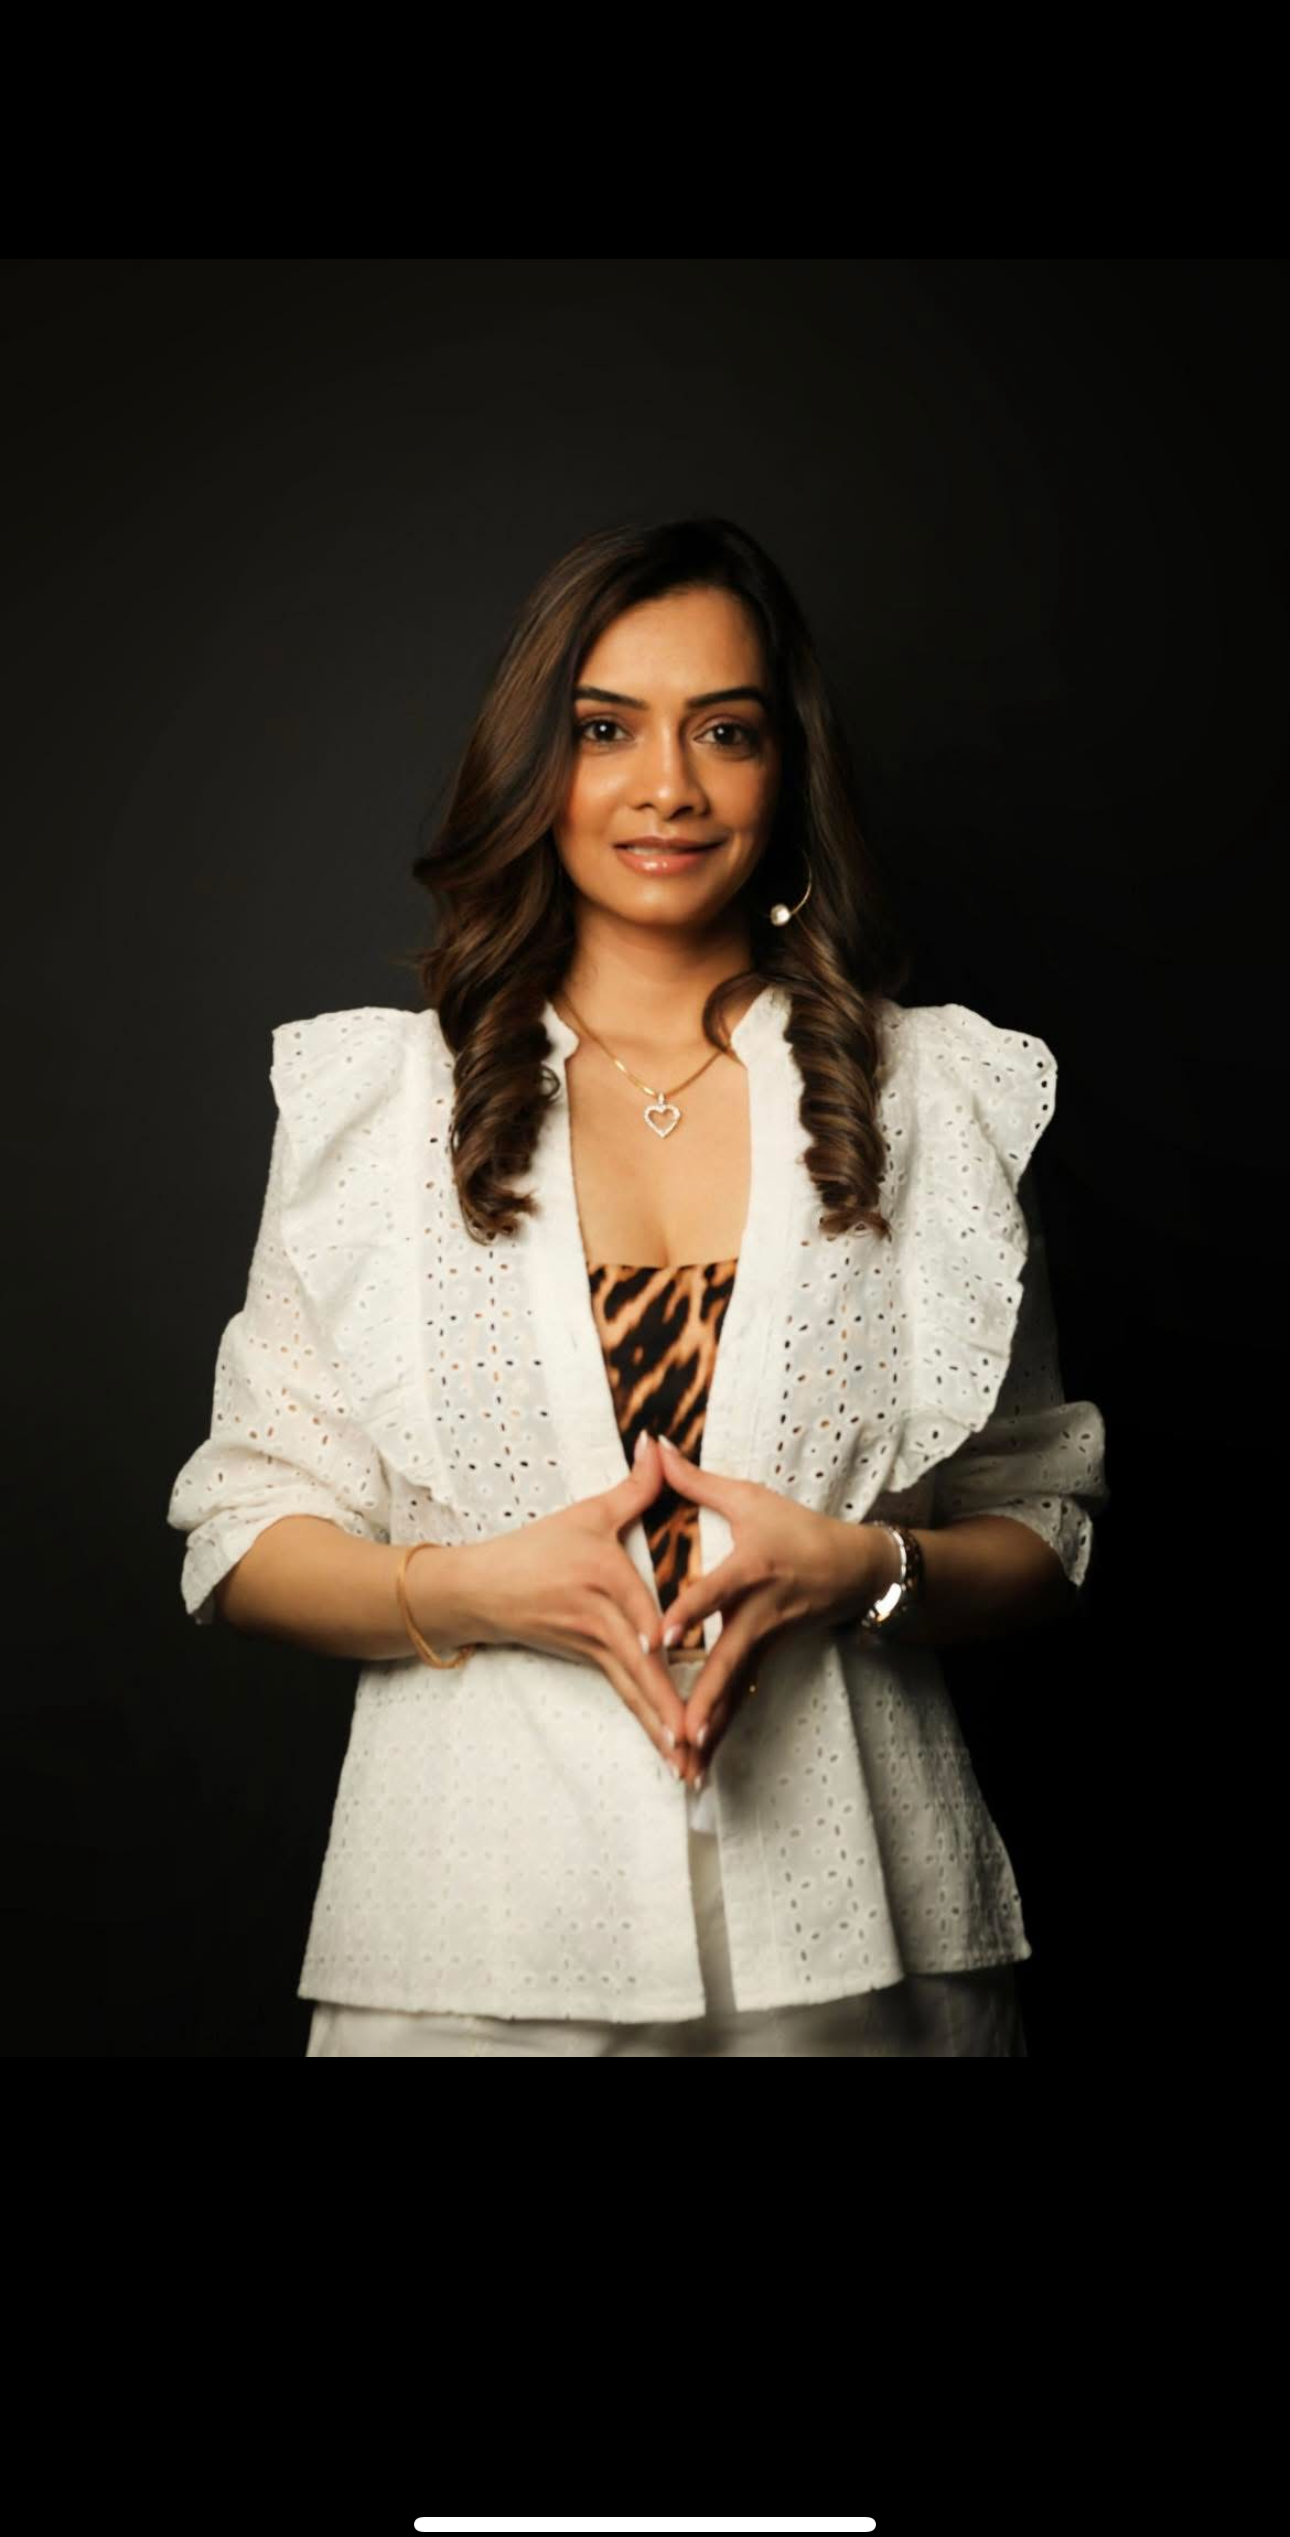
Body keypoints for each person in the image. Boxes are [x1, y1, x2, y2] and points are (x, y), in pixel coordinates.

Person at [167, 514, 1109, 2055]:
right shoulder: (379, 1105)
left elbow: (1044, 1524)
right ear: (537, 766)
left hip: (856, 1941)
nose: (665, 786)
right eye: (606, 730)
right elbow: (243, 1525)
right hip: (466, 1952)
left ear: (785, 772)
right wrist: (463, 1587)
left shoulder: (938, 1094)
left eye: (723, 732)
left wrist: (861, 1566)